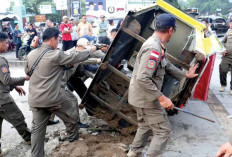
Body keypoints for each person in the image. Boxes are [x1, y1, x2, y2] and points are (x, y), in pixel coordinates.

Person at [127, 13, 199, 157]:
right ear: (171, 30)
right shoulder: (153, 48)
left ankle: (133, 153)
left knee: (145, 125)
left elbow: (165, 65)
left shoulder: (157, 44)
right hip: (146, 99)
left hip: (140, 97)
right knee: (163, 131)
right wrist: (162, 98)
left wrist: (185, 74)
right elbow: (143, 78)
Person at [25, 27, 96, 157]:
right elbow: (76, 56)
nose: (58, 43)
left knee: (37, 130)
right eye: (58, 40)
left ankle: (36, 155)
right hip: (53, 97)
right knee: (72, 111)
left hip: (35, 99)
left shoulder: (31, 54)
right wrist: (92, 50)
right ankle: (72, 141)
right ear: (53, 39)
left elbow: (27, 72)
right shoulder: (55, 54)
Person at [0, 32, 31, 156]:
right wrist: (24, 78)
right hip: (3, 100)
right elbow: (6, 80)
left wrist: (14, 86)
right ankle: (30, 139)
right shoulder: (1, 61)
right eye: (6, 43)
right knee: (18, 118)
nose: (8, 45)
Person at [219, 19, 232, 94]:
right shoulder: (228, 32)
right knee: (223, 70)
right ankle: (223, 84)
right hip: (226, 56)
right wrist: (223, 49)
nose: (231, 25)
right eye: (230, 24)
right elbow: (222, 42)